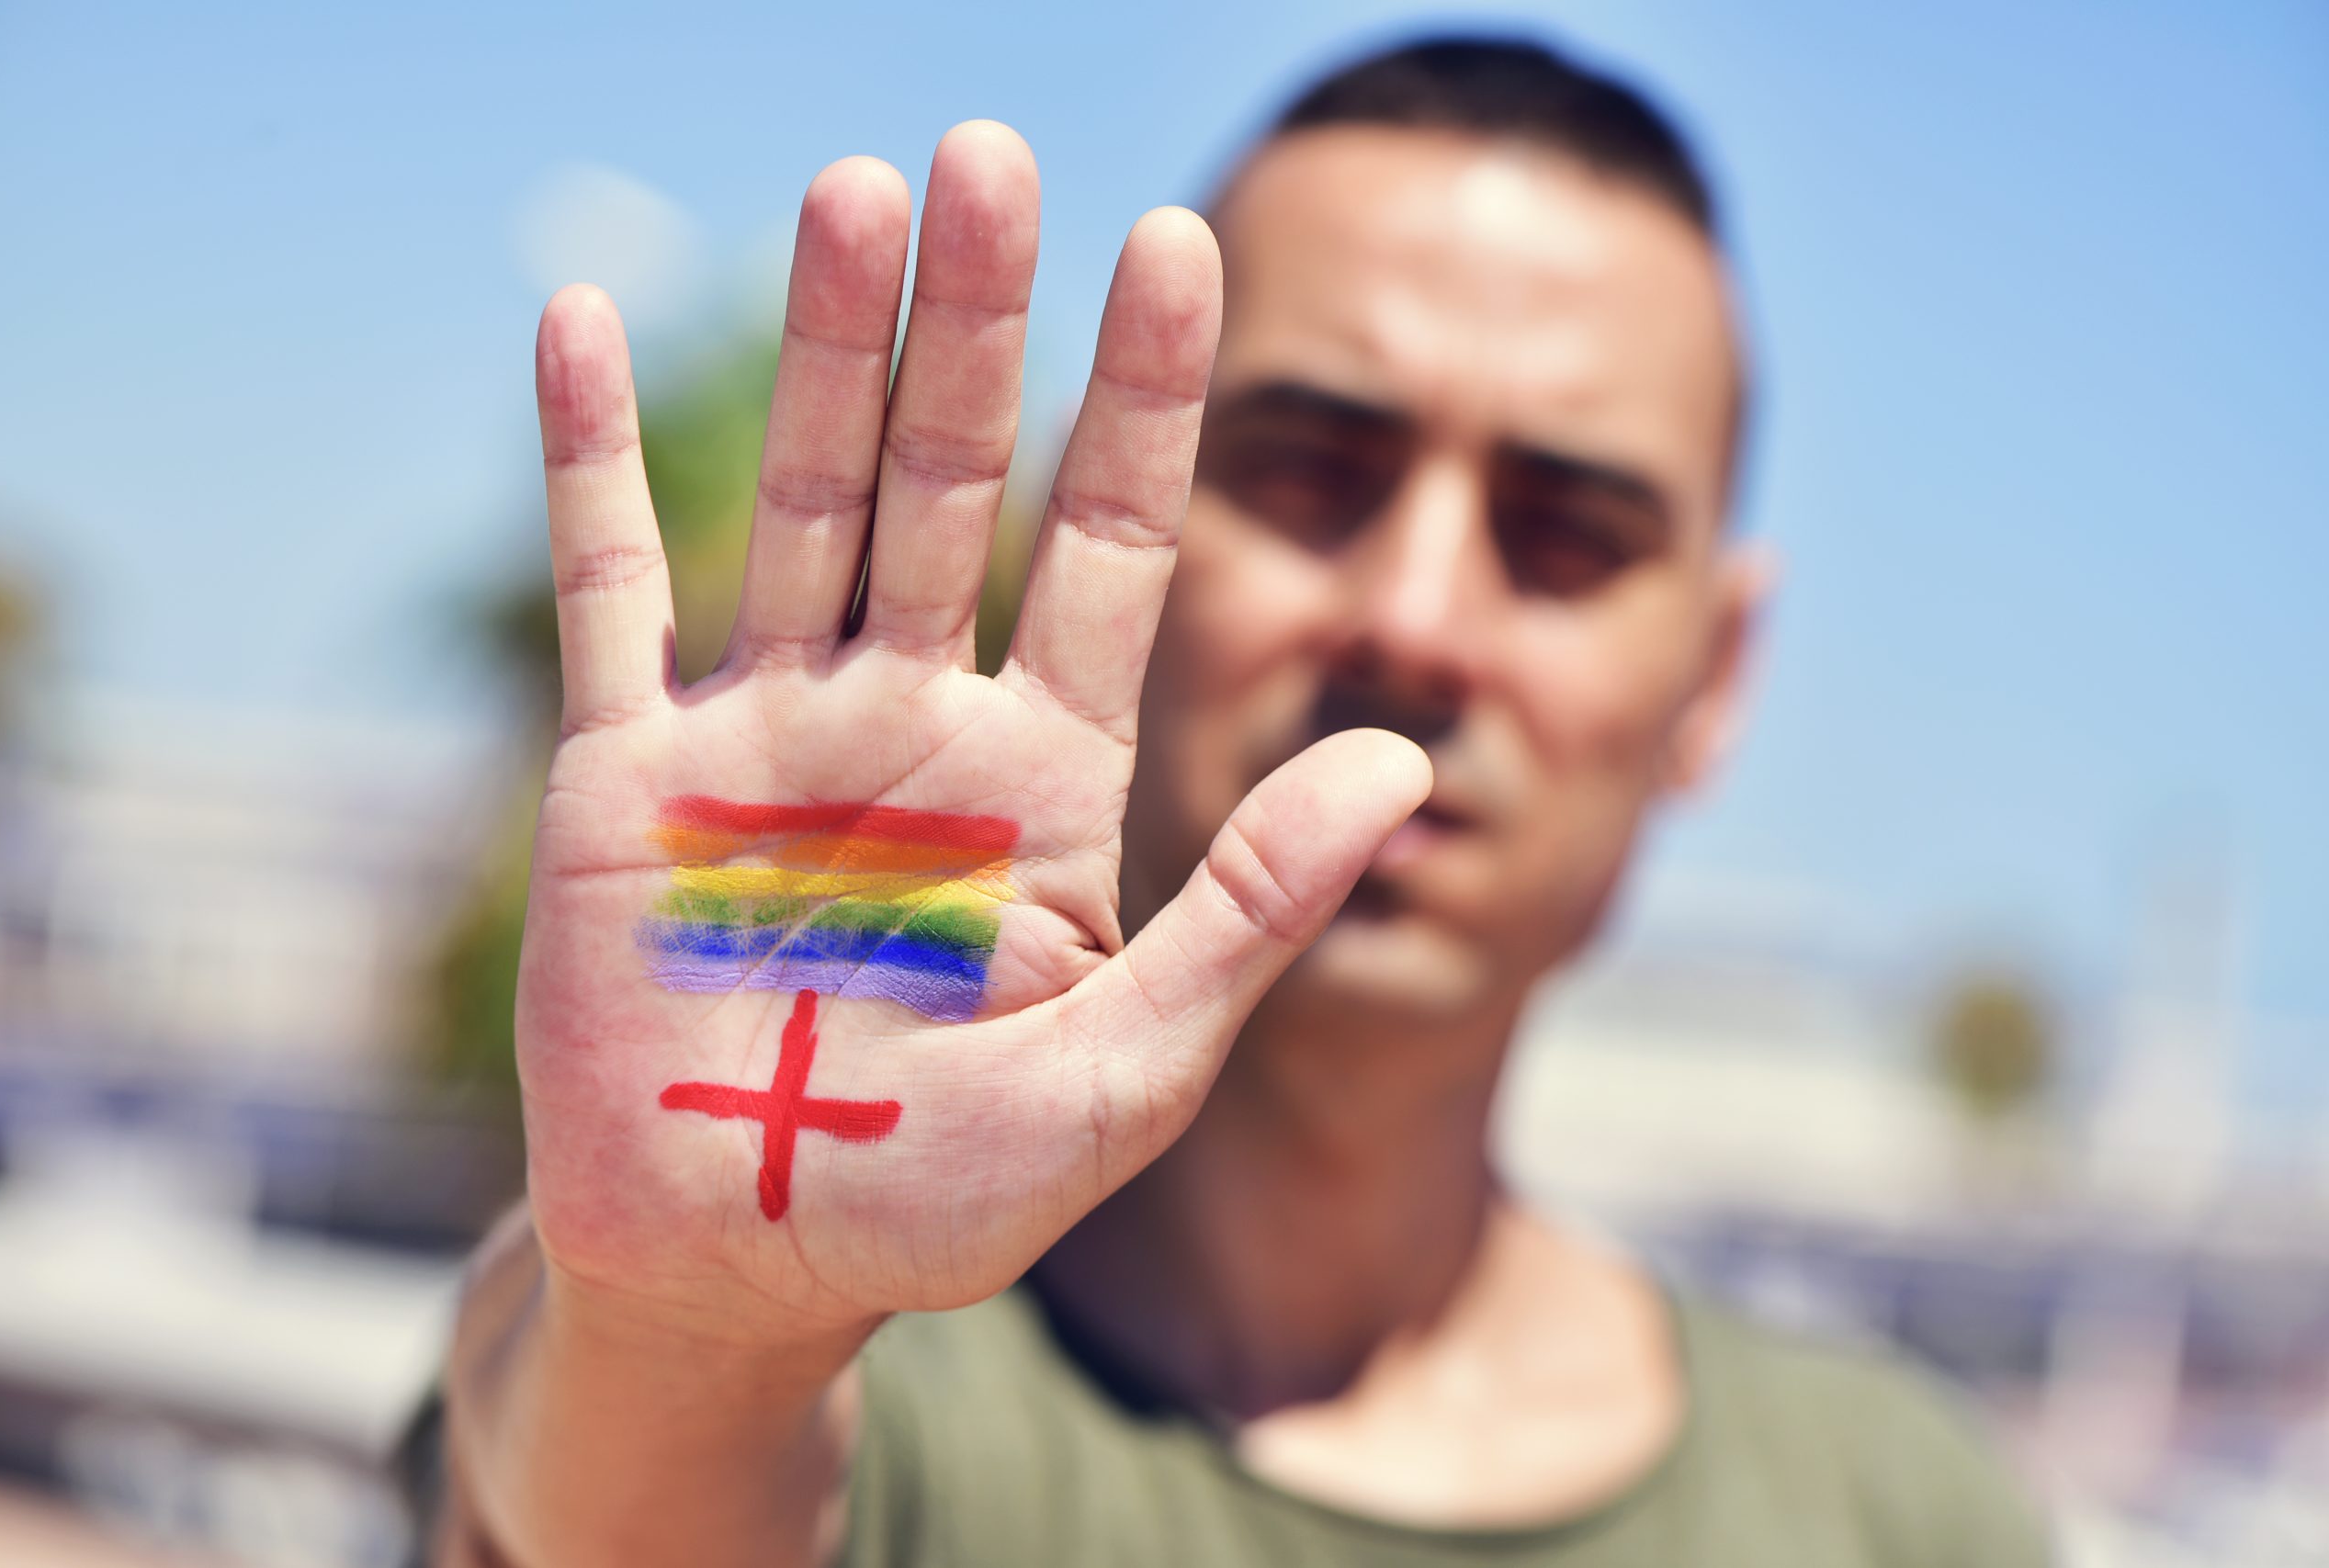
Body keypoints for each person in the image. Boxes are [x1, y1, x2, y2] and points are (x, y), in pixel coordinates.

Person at [430, 35, 2052, 1568]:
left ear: (1715, 678)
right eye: (1307, 470)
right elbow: (615, 1504)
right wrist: (691, 1335)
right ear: (1098, 514)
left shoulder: (1896, 1513)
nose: (1417, 619)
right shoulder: (843, 1356)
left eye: (1568, 532)